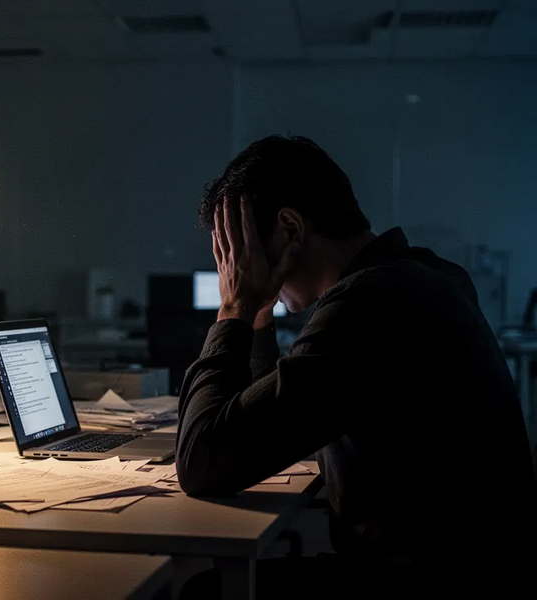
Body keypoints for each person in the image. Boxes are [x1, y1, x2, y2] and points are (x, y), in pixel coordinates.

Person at [177, 135, 537, 594]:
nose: (233, 267)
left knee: (201, 591)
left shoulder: (371, 304)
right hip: (472, 568)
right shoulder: (423, 274)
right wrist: (261, 312)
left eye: (236, 251)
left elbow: (203, 462)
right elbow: (268, 418)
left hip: (424, 580)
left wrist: (235, 307)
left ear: (290, 228)